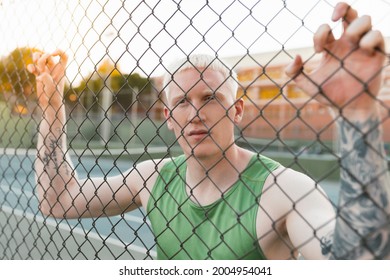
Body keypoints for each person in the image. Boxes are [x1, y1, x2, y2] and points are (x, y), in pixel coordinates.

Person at [28, 2, 390, 260]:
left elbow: (358, 262)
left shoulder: (284, 190)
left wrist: (358, 115)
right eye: (183, 102)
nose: (196, 112)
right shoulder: (154, 178)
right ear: (168, 117)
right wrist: (52, 109)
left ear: (237, 110)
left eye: (210, 97)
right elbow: (58, 200)